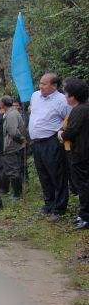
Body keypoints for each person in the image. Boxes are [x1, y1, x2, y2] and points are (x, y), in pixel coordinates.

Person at [29, 73, 71, 220]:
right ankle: (48, 204)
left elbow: (69, 119)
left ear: (54, 86)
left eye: (44, 84)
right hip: (36, 142)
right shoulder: (35, 96)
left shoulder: (62, 100)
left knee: (57, 175)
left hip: (52, 141)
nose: (40, 86)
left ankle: (59, 208)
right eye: (40, 83)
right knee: (43, 175)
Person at [59, 78, 89, 230]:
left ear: (73, 96)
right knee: (81, 184)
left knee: (83, 185)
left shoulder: (80, 110)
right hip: (80, 152)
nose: (65, 96)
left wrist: (61, 135)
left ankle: (85, 216)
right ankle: (83, 214)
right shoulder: (82, 108)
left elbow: (71, 131)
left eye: (67, 94)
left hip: (81, 153)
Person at [0, 96, 26, 200]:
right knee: (11, 169)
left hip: (11, 146)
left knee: (13, 170)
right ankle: (15, 193)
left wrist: (21, 139)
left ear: (3, 104)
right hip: (11, 145)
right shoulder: (11, 113)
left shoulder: (11, 114)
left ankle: (17, 194)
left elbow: (13, 132)